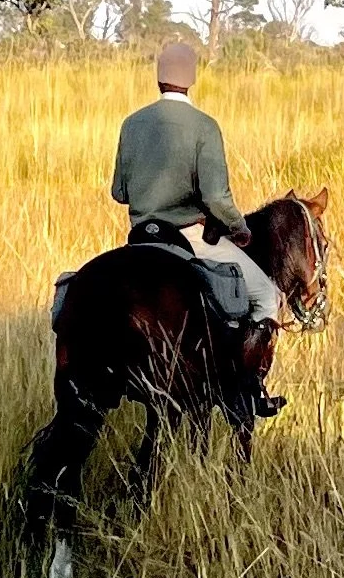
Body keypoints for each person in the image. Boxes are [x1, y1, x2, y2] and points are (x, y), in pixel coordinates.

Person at [110, 40, 286, 414]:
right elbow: (217, 198)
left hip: (140, 237)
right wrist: (239, 229)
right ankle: (248, 388)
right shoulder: (205, 126)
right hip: (188, 234)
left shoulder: (131, 122)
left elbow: (119, 192)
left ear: (158, 79)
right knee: (266, 296)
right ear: (191, 79)